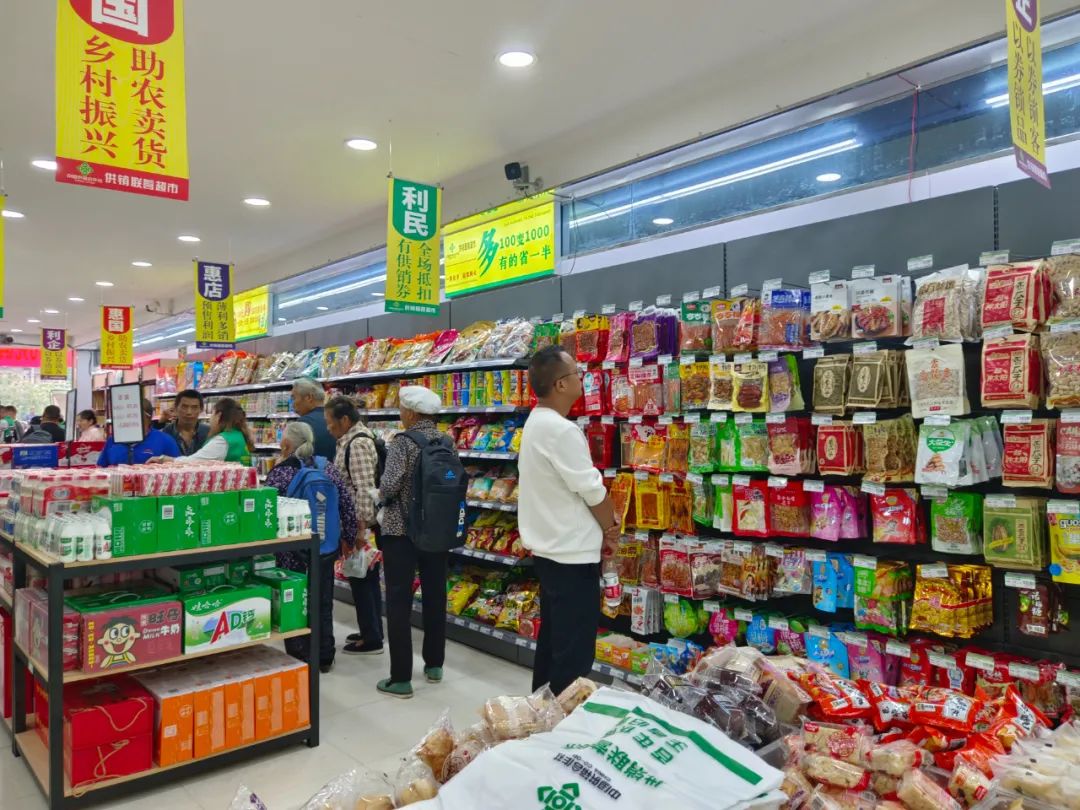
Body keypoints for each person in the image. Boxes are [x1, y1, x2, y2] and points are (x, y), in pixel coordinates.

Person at [518, 346, 619, 696]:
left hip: (550, 551)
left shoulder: (536, 422)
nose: (582, 378)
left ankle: (540, 710)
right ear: (561, 384)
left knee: (552, 644)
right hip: (571, 556)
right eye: (577, 373)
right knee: (573, 656)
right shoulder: (561, 431)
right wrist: (611, 527)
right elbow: (591, 490)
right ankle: (563, 718)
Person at [374, 385, 450, 699]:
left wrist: (379, 493)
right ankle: (434, 665)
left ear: (410, 413)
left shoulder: (403, 442)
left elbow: (390, 485)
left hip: (401, 531)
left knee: (398, 601)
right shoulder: (446, 441)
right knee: (435, 596)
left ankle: (401, 678)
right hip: (437, 530)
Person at [265, 421, 358, 673]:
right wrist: (349, 538)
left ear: (286, 445)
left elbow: (268, 514)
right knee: (323, 599)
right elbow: (347, 506)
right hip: (325, 547)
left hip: (291, 550)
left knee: (294, 600)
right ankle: (324, 654)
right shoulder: (327, 468)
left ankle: (300, 655)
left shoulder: (279, 473)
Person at [324, 395, 383, 656]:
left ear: (345, 420)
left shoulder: (357, 444)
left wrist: (359, 531)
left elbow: (364, 490)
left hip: (362, 526)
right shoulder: (350, 440)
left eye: (330, 422)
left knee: (362, 580)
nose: (328, 428)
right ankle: (371, 630)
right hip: (359, 524)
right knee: (364, 577)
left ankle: (371, 639)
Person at [152, 397, 254, 465]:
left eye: (212, 414)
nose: (189, 412)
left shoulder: (222, 440)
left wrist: (166, 460)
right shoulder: (238, 435)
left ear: (218, 415)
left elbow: (194, 462)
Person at [97, 399, 180, 465]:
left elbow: (179, 470)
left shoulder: (166, 441)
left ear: (149, 418)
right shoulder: (113, 440)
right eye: (128, 415)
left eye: (136, 415)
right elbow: (101, 469)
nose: (131, 419)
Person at [291, 377, 336, 460]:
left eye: (294, 398)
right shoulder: (336, 419)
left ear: (309, 397)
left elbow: (295, 459)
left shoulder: (302, 424)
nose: (292, 404)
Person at [162, 389, 210, 456]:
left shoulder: (209, 432)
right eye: (184, 407)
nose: (189, 412)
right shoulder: (165, 433)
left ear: (201, 409)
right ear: (176, 408)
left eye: (194, 407)